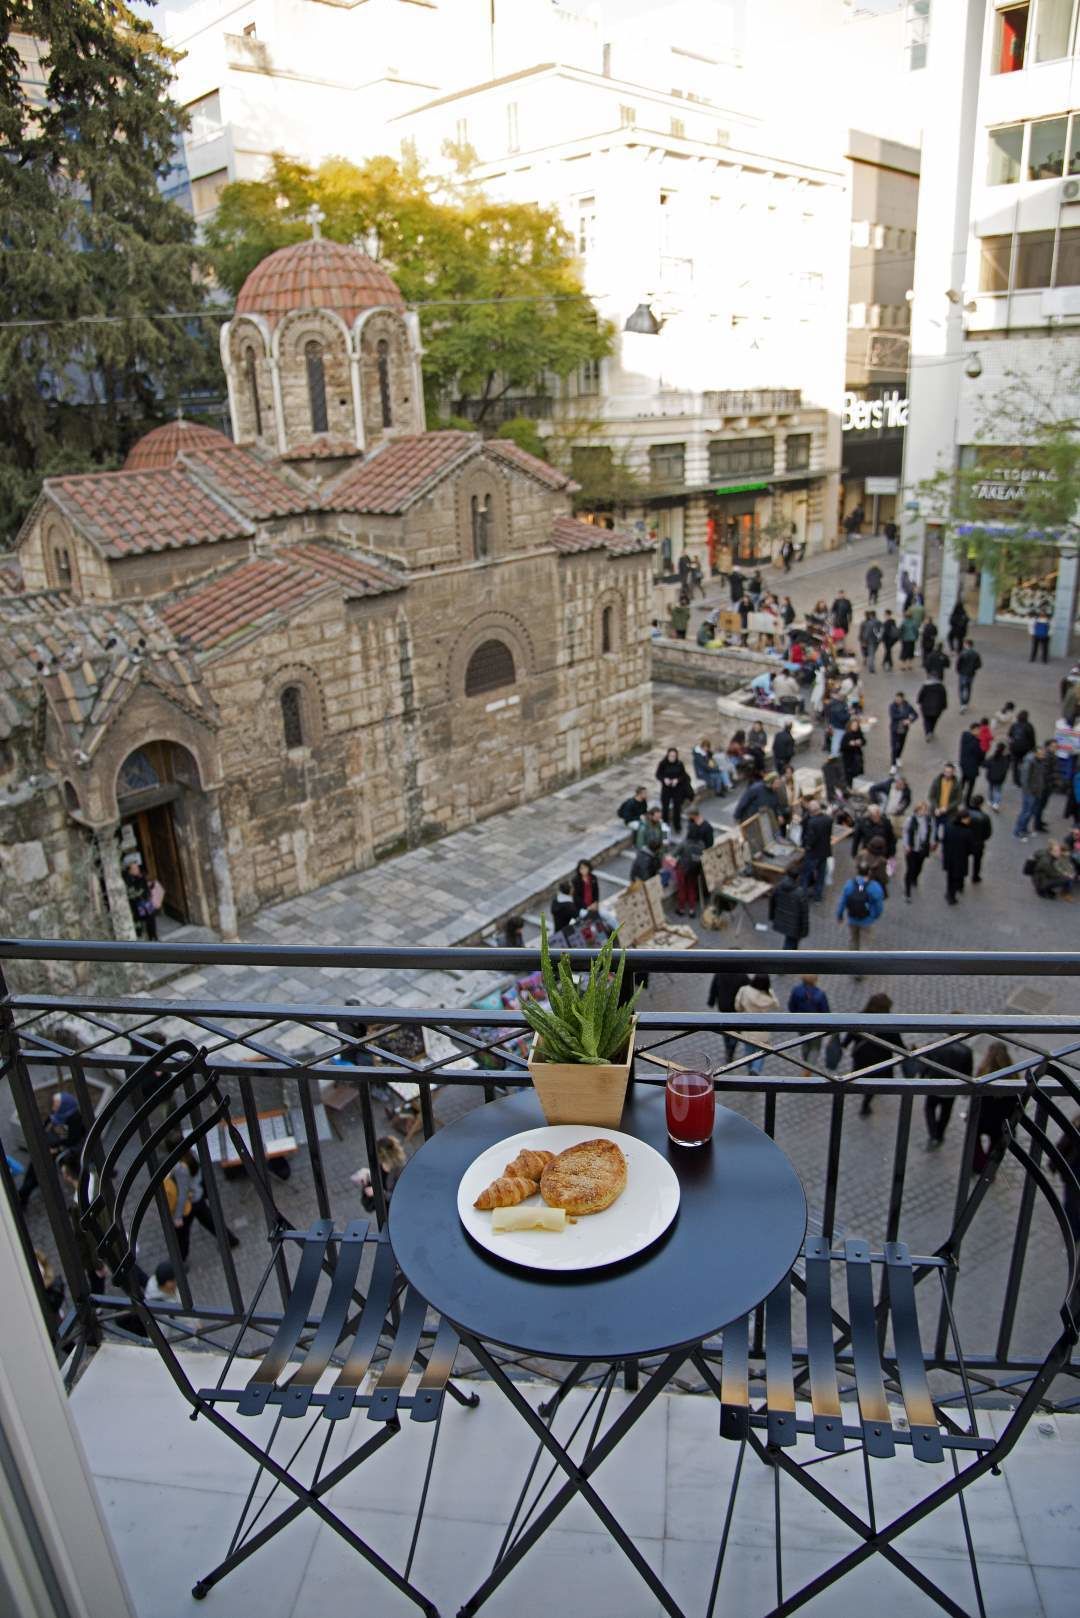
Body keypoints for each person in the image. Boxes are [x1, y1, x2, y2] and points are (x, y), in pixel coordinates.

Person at [16, 1091, 86, 1209]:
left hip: (55, 1153)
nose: (53, 1106)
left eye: (57, 1104)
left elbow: (73, 1140)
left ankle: (23, 1195)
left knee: (39, 1176)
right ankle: (23, 1194)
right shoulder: (56, 1115)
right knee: (32, 1171)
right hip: (45, 1149)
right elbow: (45, 1128)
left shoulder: (74, 1120)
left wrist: (56, 1149)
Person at [842, 992, 906, 1116]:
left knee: (862, 1076)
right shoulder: (889, 1022)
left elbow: (850, 1034)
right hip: (880, 1059)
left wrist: (844, 1044)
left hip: (861, 1055)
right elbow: (897, 1042)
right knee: (874, 1081)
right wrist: (908, 1051)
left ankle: (864, 1094)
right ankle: (865, 1104)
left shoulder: (860, 1017)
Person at [921, 1025, 975, 1148]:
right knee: (946, 1112)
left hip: (935, 1085)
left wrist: (923, 1077)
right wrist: (966, 1089)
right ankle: (939, 1134)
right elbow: (967, 1072)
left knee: (929, 1108)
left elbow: (926, 1065)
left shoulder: (935, 1046)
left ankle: (933, 1134)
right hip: (952, 1087)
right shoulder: (966, 1051)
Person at [971, 1042, 1019, 1175]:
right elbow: (1015, 1103)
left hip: (982, 1119)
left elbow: (976, 1099)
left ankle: (978, 1165)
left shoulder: (982, 1074)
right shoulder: (1014, 1077)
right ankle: (989, 1168)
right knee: (995, 1146)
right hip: (1001, 1121)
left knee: (974, 1141)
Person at [836, 855, 885, 975]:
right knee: (865, 944)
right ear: (869, 872)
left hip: (852, 918)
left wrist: (840, 915)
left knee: (853, 940)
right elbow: (879, 905)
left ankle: (852, 963)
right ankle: (860, 970)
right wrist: (875, 915)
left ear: (857, 871)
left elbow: (843, 901)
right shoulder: (874, 887)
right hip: (867, 920)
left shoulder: (849, 884)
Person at [734, 975, 779, 1074]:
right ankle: (756, 1069)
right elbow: (777, 1005)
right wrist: (770, 991)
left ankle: (750, 1069)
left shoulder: (744, 990)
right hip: (763, 1028)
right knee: (761, 1051)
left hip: (748, 1026)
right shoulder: (768, 994)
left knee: (748, 1050)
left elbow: (737, 1007)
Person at [787, 975, 830, 1074]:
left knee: (805, 1043)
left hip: (801, 1024)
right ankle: (808, 1069)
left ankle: (805, 1063)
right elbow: (826, 1012)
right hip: (816, 1026)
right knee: (815, 1047)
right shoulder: (820, 994)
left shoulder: (796, 991)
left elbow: (791, 1007)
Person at [354, 1135, 407, 1213]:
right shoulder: (381, 1162)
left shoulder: (401, 1171)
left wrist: (379, 1192)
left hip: (391, 1209)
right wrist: (367, 1175)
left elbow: (401, 1197)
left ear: (385, 1157)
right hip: (381, 1203)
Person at [708, 967, 750, 1066]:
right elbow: (749, 991)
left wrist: (711, 1001)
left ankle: (728, 1047)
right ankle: (731, 1048)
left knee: (725, 1029)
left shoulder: (720, 973)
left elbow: (713, 988)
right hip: (736, 1009)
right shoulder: (743, 976)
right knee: (736, 1031)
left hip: (723, 1007)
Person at [799, 800, 834, 901]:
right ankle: (818, 896)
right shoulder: (828, 819)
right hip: (824, 852)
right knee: (821, 876)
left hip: (813, 853)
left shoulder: (812, 823)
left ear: (811, 811)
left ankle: (803, 896)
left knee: (806, 874)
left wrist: (806, 846)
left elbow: (811, 839)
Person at [768, 870, 810, 949]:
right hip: (795, 926)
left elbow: (772, 902)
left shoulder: (779, 886)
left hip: (783, 920)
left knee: (789, 941)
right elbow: (804, 914)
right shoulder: (800, 893)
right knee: (790, 944)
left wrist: (772, 917)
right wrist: (805, 931)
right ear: (797, 878)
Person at [942, 807, 975, 905]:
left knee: (950, 877)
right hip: (960, 859)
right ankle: (951, 897)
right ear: (963, 819)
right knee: (956, 878)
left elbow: (944, 841)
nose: (969, 820)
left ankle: (948, 893)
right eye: (968, 818)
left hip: (949, 857)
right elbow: (971, 849)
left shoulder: (948, 826)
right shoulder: (967, 832)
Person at [1014, 745, 1047, 841]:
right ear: (1036, 753)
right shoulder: (1030, 762)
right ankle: (1018, 831)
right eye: (1041, 754)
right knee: (1026, 811)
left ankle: (1024, 828)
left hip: (1036, 790)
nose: (1043, 755)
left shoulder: (1040, 761)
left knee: (1031, 811)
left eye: (1043, 754)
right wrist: (1028, 791)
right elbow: (1024, 778)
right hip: (1030, 792)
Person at [655, 747, 693, 832]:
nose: (672, 758)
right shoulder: (663, 764)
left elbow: (683, 775)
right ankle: (665, 824)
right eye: (670, 756)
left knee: (677, 807)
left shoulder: (679, 764)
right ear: (667, 755)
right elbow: (658, 775)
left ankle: (677, 825)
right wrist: (664, 779)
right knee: (665, 807)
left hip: (677, 788)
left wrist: (677, 780)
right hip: (666, 789)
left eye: (674, 756)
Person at [902, 801, 933, 902]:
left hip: (922, 849)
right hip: (912, 848)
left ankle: (914, 878)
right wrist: (906, 845)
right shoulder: (910, 820)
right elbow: (905, 832)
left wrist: (931, 842)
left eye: (925, 810)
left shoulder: (928, 819)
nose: (924, 812)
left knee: (919, 867)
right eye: (922, 810)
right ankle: (907, 891)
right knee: (910, 869)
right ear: (917, 810)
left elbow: (931, 831)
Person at [123, 854, 159, 942]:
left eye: (137, 867)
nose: (137, 869)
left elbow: (146, 888)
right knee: (143, 919)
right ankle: (143, 937)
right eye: (134, 868)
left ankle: (153, 937)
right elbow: (134, 893)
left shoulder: (140, 876)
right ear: (129, 871)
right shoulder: (129, 880)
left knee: (151, 917)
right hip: (137, 905)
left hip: (145, 902)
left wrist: (150, 886)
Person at [928, 762, 960, 845]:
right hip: (937, 811)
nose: (947, 774)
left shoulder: (957, 784)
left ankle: (945, 845)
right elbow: (931, 796)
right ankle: (935, 842)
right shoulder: (937, 781)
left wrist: (947, 808)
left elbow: (958, 800)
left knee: (947, 831)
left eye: (949, 772)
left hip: (949, 813)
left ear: (953, 772)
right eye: (946, 772)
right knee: (935, 828)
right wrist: (936, 808)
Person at [967, 793, 993, 882]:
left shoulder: (965, 814)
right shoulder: (985, 817)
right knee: (977, 861)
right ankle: (975, 876)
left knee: (962, 859)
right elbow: (988, 833)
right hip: (978, 843)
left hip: (965, 842)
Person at [888, 692, 917, 766]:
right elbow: (893, 716)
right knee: (894, 747)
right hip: (895, 729)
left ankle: (898, 757)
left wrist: (909, 720)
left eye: (899, 699)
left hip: (903, 729)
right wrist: (905, 716)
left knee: (901, 745)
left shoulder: (908, 706)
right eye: (896, 698)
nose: (897, 700)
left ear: (902, 699)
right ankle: (893, 764)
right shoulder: (892, 706)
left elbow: (915, 715)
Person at [1008, 708, 1036, 785]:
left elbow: (1010, 735)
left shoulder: (1014, 725)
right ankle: (1022, 777)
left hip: (1015, 748)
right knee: (1024, 763)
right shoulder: (1029, 726)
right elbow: (1032, 738)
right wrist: (1033, 748)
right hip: (1025, 748)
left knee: (1015, 763)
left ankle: (1015, 778)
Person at [916, 673, 948, 741]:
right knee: (934, 720)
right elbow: (944, 697)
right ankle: (931, 731)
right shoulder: (941, 686)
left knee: (926, 720)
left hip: (926, 707)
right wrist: (944, 706)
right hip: (937, 707)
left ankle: (928, 732)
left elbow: (921, 695)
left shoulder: (925, 686)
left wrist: (919, 701)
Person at [959, 721, 983, 806]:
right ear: (974, 730)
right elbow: (979, 755)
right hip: (972, 768)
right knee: (971, 786)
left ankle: (958, 795)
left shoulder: (965, 735)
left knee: (963, 780)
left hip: (963, 764)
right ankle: (967, 801)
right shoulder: (975, 742)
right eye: (979, 730)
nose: (980, 732)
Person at [840, 717, 867, 787]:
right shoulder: (847, 735)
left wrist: (860, 742)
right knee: (848, 775)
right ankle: (847, 787)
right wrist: (850, 744)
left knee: (852, 774)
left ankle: (848, 787)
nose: (855, 727)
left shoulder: (859, 733)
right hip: (848, 758)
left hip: (855, 758)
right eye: (853, 726)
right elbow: (842, 747)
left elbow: (864, 741)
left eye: (856, 726)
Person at [956, 639, 982, 711]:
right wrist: (973, 668)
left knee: (961, 688)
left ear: (966, 644)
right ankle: (966, 703)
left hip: (963, 673)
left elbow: (958, 664)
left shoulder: (962, 653)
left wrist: (959, 671)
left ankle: (962, 703)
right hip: (971, 674)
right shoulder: (975, 654)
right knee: (968, 688)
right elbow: (979, 665)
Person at [983, 742, 1010, 811]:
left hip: (991, 777)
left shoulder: (992, 757)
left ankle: (990, 800)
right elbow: (1006, 768)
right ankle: (996, 804)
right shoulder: (1005, 759)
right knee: (998, 791)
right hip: (999, 779)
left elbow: (985, 764)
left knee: (991, 788)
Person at [824, 688, 850, 757]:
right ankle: (834, 755)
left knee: (835, 740)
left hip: (833, 724)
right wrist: (849, 714)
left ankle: (834, 753)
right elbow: (842, 718)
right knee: (836, 741)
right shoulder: (838, 706)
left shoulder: (833, 703)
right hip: (838, 726)